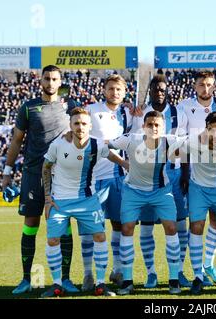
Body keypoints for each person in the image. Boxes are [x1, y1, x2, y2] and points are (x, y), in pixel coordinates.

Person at [2, 65, 79, 295]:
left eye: (55, 79)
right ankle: (27, 279)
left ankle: (65, 279)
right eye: (47, 78)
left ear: (60, 81)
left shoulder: (70, 107)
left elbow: (84, 129)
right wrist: (7, 172)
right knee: (31, 224)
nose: (51, 82)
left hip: (61, 175)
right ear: (40, 80)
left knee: (62, 224)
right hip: (33, 173)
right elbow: (16, 141)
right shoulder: (28, 108)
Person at [41, 107, 123, 297]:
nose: (80, 127)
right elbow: (46, 167)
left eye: (84, 123)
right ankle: (56, 285)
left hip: (87, 200)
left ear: (90, 126)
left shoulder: (96, 145)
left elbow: (109, 154)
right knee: (53, 240)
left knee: (100, 237)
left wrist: (125, 164)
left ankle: (100, 284)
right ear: (70, 125)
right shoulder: (58, 144)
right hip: (59, 201)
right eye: (76, 123)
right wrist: (47, 198)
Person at [110, 111, 184, 296]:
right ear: (143, 126)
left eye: (157, 124)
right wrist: (122, 162)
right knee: (127, 229)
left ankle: (174, 280)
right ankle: (127, 281)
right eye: (150, 124)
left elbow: (194, 142)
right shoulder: (130, 139)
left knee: (171, 228)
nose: (153, 128)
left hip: (161, 191)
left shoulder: (170, 140)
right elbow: (104, 146)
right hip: (133, 191)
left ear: (163, 127)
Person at [170, 111, 216, 295]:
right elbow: (174, 154)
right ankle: (198, 277)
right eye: (212, 129)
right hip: (199, 190)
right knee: (196, 227)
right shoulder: (194, 141)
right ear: (206, 129)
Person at [130, 74, 192, 288]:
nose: (159, 92)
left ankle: (179, 270)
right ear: (150, 91)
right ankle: (151, 273)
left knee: (180, 226)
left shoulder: (178, 113)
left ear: (168, 91)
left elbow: (183, 146)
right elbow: (132, 142)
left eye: (162, 89)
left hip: (174, 176)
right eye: (155, 89)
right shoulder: (140, 115)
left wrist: (185, 173)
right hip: (147, 176)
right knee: (146, 227)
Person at [177, 70, 216, 285]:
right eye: (202, 85)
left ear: (215, 85)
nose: (206, 89)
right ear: (195, 86)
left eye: (209, 85)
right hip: (196, 173)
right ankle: (196, 270)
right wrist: (184, 170)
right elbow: (181, 142)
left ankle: (208, 264)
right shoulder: (184, 106)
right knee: (196, 223)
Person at [80, 74, 132, 291]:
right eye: (111, 88)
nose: (115, 93)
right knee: (91, 228)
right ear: (103, 90)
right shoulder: (92, 110)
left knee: (119, 225)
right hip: (92, 179)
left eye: (118, 89)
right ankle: (88, 274)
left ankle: (117, 270)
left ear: (124, 91)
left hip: (119, 178)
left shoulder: (128, 112)